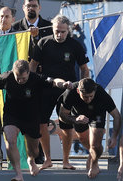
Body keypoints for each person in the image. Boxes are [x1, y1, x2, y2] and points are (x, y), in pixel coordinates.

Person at [0, 59, 71, 181]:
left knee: (34, 150)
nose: (20, 81)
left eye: (23, 78)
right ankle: (18, 174)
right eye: (18, 77)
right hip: (12, 115)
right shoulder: (6, 77)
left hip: (31, 117)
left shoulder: (36, 78)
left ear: (28, 73)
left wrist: (63, 84)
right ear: (13, 72)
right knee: (10, 140)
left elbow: (54, 81)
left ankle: (31, 160)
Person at [30, 14, 90, 171]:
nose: (59, 34)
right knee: (41, 122)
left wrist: (82, 88)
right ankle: (48, 159)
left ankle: (65, 160)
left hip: (68, 91)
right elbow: (32, 66)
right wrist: (33, 84)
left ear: (68, 30)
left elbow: (84, 69)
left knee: (67, 125)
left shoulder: (75, 45)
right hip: (46, 89)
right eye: (57, 31)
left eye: (63, 32)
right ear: (52, 29)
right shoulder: (44, 43)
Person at [57, 78, 122, 179]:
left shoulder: (101, 94)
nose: (88, 100)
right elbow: (62, 116)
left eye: (91, 96)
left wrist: (114, 136)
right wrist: (75, 119)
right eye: (85, 97)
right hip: (78, 116)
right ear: (78, 91)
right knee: (83, 139)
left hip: (97, 114)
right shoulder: (71, 91)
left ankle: (94, 163)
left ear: (95, 91)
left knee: (95, 144)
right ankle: (92, 153)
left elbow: (117, 116)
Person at [0, 6, 20, 168]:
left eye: (7, 16)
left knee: (13, 121)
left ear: (13, 19)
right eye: (1, 16)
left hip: (14, 87)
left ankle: (13, 155)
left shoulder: (19, 38)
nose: (3, 19)